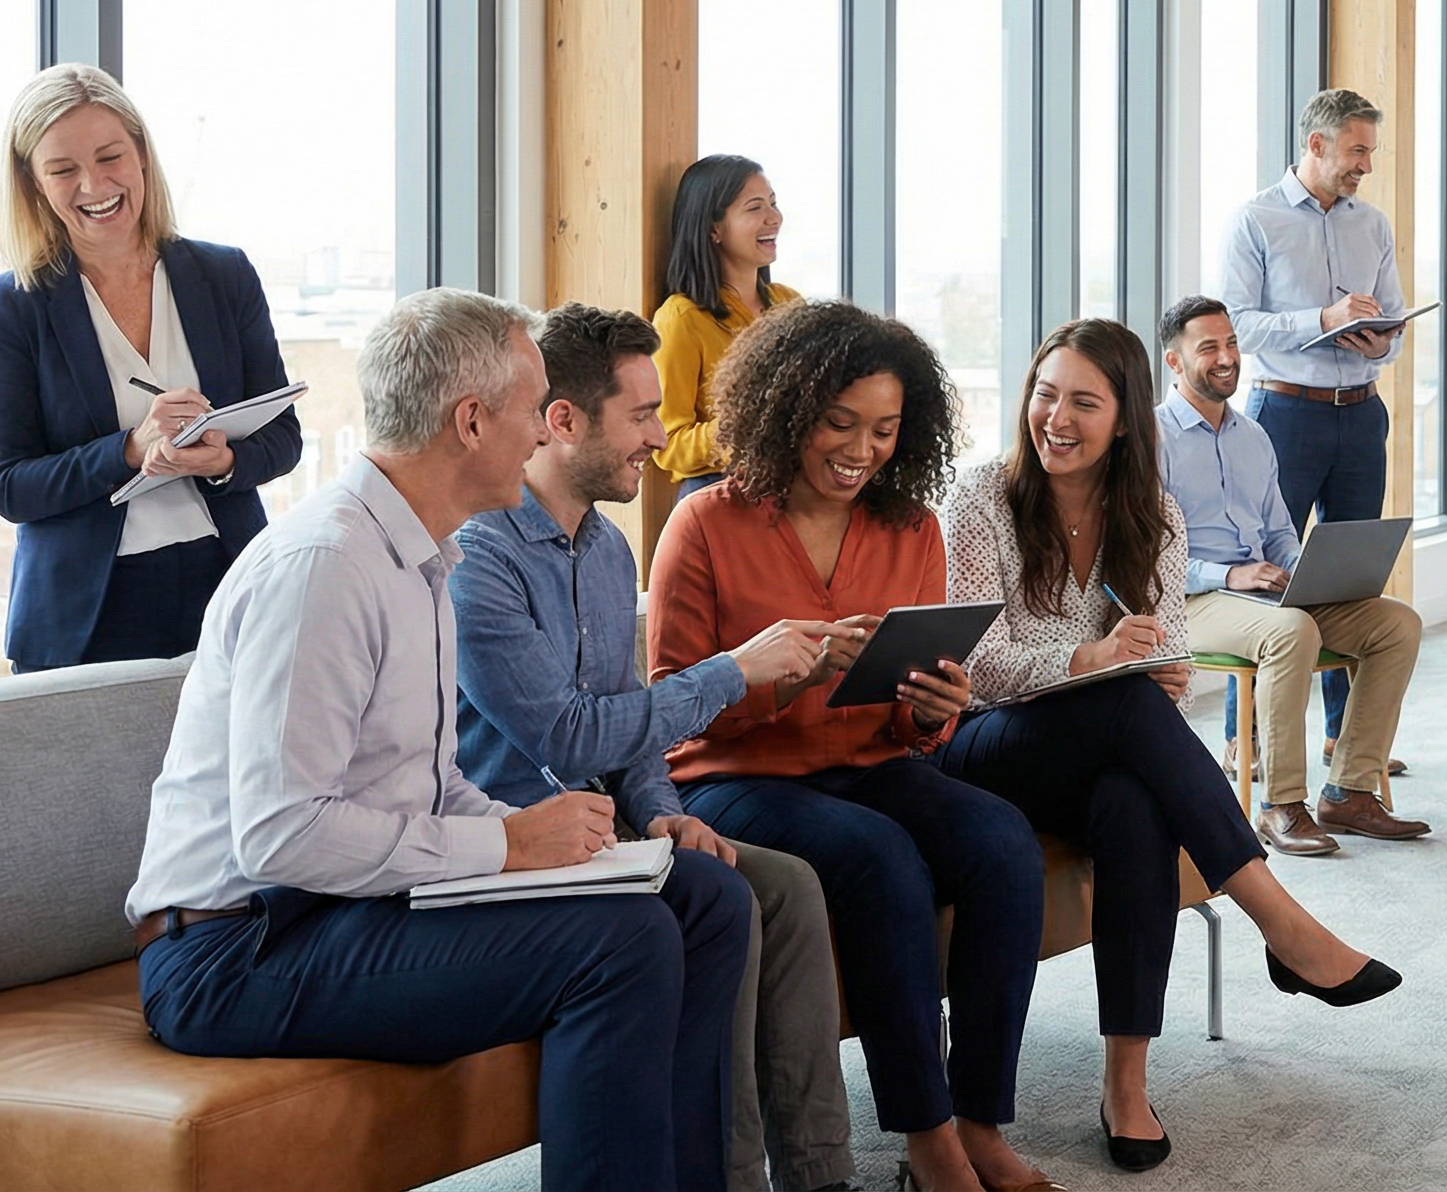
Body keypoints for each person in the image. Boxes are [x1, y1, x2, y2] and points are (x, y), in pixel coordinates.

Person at [124, 288, 751, 1192]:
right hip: (234, 950)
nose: (543, 434)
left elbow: (425, 782)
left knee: (698, 896)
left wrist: (554, 844)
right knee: (622, 944)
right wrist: (505, 844)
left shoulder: (425, 554)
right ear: (470, 421)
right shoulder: (328, 567)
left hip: (345, 906)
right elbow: (282, 835)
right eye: (534, 411)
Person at [936, 317, 1400, 1174]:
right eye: (1044, 395)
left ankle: (1126, 1082)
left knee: (1134, 799)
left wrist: (1157, 669)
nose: (1056, 418)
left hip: (1100, 750)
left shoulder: (1153, 514)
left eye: (1084, 401)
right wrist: (1089, 658)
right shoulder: (980, 499)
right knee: (1124, 710)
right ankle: (1280, 920)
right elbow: (972, 665)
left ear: (1123, 420)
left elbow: (1173, 653)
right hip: (982, 746)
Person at [645, 299, 1056, 1192]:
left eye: (883, 429)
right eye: (839, 423)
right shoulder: (704, 524)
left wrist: (934, 707)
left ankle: (981, 1119)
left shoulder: (910, 527)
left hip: (869, 762)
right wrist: (781, 680)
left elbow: (918, 724)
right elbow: (668, 715)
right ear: (787, 407)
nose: (860, 449)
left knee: (1001, 841)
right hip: (731, 777)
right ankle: (927, 1138)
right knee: (879, 860)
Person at [451, 303, 864, 1192]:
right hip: (517, 843)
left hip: (611, 832)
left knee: (786, 882)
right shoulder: (478, 559)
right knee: (723, 896)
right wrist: (734, 671)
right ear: (562, 422)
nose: (661, 436)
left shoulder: (604, 550)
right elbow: (564, 733)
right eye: (641, 414)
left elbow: (627, 716)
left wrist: (666, 813)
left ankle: (822, 1175)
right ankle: (729, 1176)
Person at [0, 64, 302, 670]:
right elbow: (11, 487)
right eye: (63, 170)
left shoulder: (224, 275)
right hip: (86, 613)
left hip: (230, 584)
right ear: (34, 184)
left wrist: (224, 460)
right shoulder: (16, 307)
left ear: (141, 155)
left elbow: (284, 440)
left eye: (111, 156)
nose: (94, 183)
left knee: (239, 767)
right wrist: (131, 450)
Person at [1153, 295, 1428, 856]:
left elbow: (1278, 530)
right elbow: (1149, 558)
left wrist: (1307, 571)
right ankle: (1280, 806)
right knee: (1291, 632)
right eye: (1209, 348)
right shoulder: (1150, 439)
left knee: (1395, 623)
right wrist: (1229, 576)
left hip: (1263, 594)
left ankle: (1349, 792)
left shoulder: (1254, 436)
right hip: (1192, 600)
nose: (1227, 357)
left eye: (1231, 343)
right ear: (1174, 362)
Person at [1216, 86, 1408, 759]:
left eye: (1370, 152)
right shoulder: (1257, 220)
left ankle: (1343, 736)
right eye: (1357, 151)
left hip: (1360, 415)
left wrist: (1379, 340)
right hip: (1283, 413)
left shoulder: (1372, 224)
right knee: (1269, 570)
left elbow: (1393, 322)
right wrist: (1322, 321)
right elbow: (1234, 324)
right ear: (1317, 145)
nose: (1366, 165)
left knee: (1353, 576)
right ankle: (1250, 737)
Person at [652, 153, 799, 498]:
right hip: (717, 494)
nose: (774, 217)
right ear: (713, 228)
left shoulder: (790, 304)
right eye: (755, 208)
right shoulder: (681, 319)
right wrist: (748, 428)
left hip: (790, 490)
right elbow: (667, 443)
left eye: (773, 204)